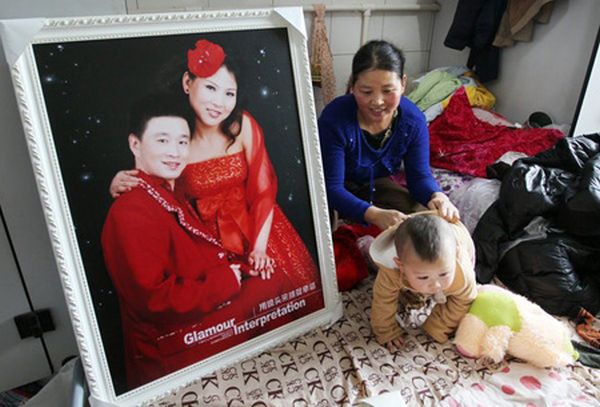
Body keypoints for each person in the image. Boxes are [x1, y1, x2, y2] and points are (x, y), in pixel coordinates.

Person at [102, 93, 296, 389]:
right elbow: (153, 301)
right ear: (135, 144)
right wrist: (228, 280)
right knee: (275, 289)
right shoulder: (130, 211)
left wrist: (241, 270)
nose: (175, 152)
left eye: (182, 142)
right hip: (173, 342)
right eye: (162, 141)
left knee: (274, 281)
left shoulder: (168, 190)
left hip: (198, 303)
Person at [110, 38, 321, 292]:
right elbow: (160, 192)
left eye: (229, 93)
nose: (219, 102)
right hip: (209, 242)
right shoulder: (175, 137)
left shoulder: (242, 125)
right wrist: (120, 180)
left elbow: (263, 191)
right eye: (211, 88)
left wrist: (259, 248)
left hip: (259, 229)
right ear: (188, 83)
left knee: (288, 292)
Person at [318, 40, 459, 230]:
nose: (377, 102)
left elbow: (419, 177)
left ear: (403, 84)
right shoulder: (335, 119)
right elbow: (332, 187)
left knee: (424, 220)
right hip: (336, 186)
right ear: (353, 86)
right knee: (324, 230)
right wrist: (374, 214)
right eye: (366, 91)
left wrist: (437, 195)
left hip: (375, 184)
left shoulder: (412, 122)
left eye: (387, 91)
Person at [369, 211, 477, 351]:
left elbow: (464, 300)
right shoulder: (391, 269)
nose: (436, 284)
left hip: (458, 237)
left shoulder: (461, 271)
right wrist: (386, 331)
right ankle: (366, 245)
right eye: (423, 277)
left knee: (459, 294)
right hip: (409, 242)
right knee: (405, 293)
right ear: (401, 265)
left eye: (443, 274)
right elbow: (383, 300)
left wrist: (438, 326)